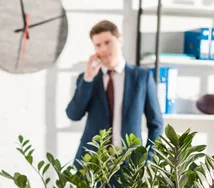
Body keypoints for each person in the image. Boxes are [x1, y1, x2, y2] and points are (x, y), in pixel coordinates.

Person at [66, 20, 164, 164]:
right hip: (91, 165)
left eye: (108, 42)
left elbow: (156, 123)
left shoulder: (142, 77)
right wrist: (88, 78)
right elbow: (73, 114)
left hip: (129, 167)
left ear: (120, 40)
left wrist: (148, 159)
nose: (103, 49)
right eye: (98, 45)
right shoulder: (88, 78)